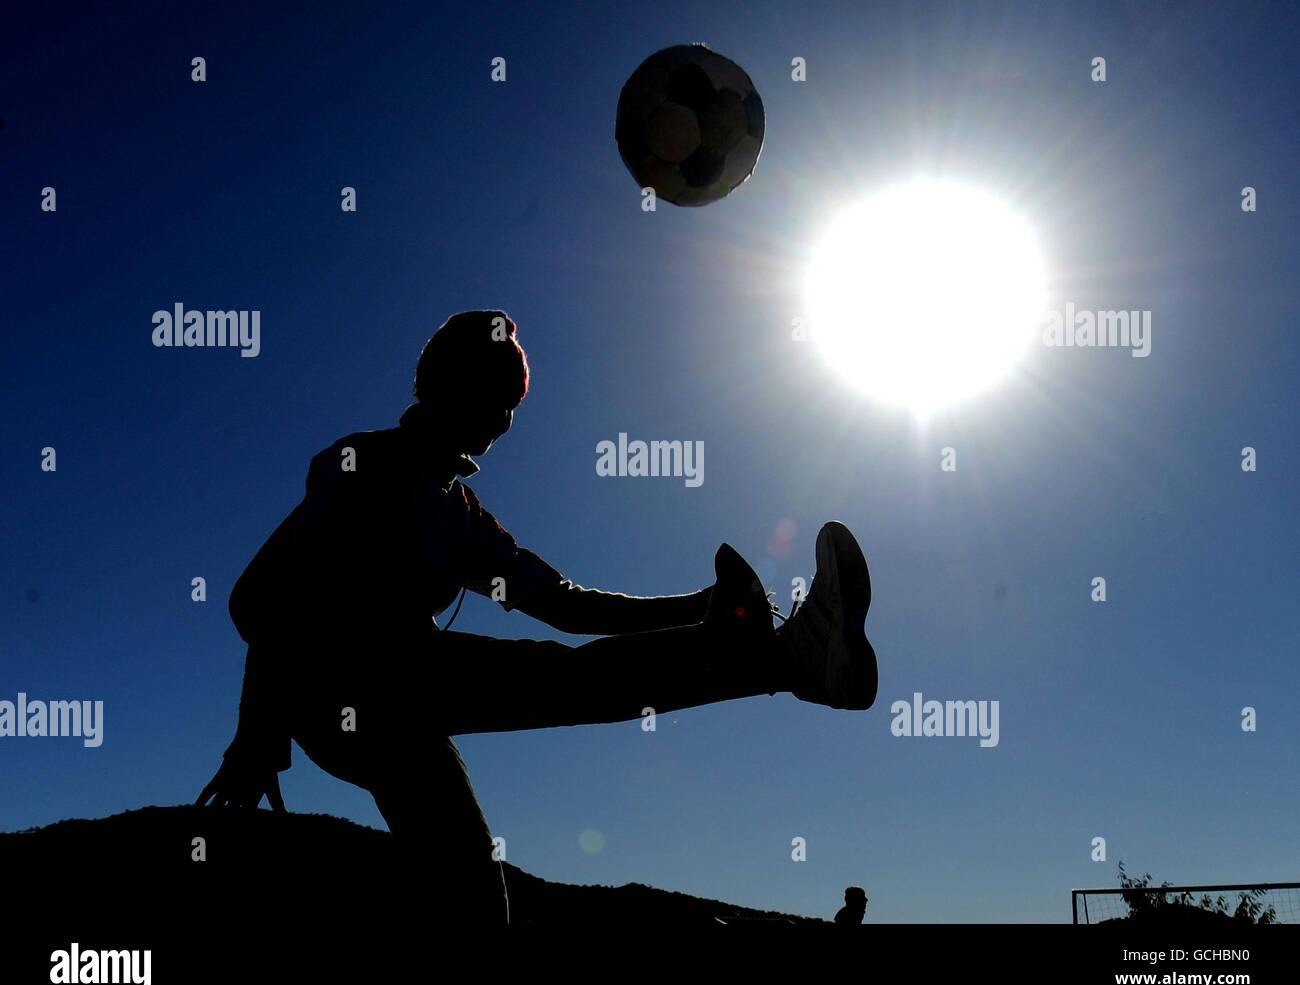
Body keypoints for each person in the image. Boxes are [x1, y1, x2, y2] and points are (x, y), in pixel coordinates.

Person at [195, 309, 878, 926]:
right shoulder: (361, 466)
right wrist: (256, 735)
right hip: (336, 684)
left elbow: (566, 605)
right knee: (553, 678)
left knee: (473, 885)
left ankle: (786, 661)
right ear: (442, 383)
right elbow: (264, 600)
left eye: (514, 402)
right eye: (496, 392)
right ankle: (788, 660)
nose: (506, 416)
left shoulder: (462, 517)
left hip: (403, 703)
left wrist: (701, 606)